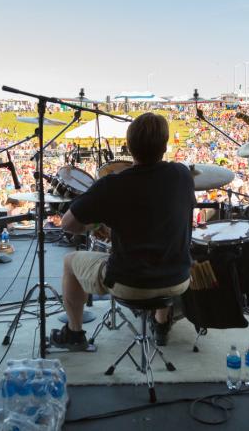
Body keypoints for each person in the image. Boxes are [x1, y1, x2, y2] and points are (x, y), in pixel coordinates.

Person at [51, 113, 194, 350]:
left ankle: (74, 333)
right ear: (165, 145)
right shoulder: (182, 175)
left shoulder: (113, 185)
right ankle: (160, 324)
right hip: (178, 279)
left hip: (131, 283)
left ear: (128, 147)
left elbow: (68, 224)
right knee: (163, 247)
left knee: (69, 262)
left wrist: (97, 224)